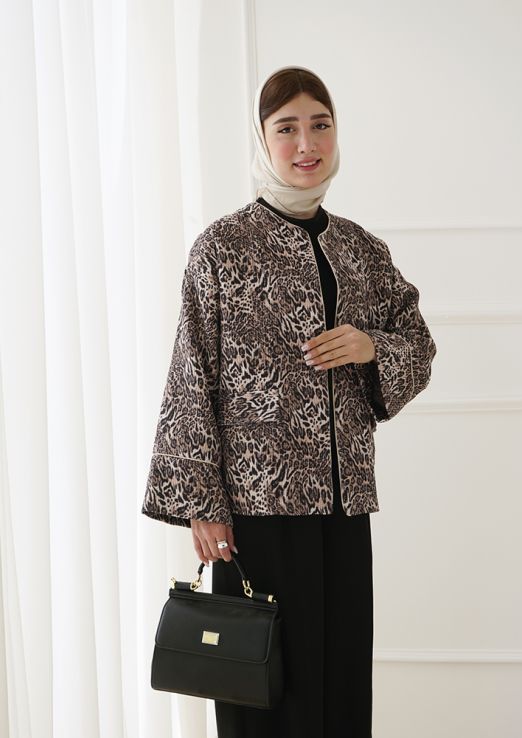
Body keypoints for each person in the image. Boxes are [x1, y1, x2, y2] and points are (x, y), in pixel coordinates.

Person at [141, 64, 437, 738]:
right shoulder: (222, 248)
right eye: (287, 128)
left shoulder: (360, 250)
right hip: (257, 512)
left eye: (320, 125)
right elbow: (191, 375)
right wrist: (202, 505)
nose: (307, 143)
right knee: (264, 690)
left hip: (343, 506)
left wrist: (371, 346)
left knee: (339, 686)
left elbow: (416, 343)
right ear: (261, 138)